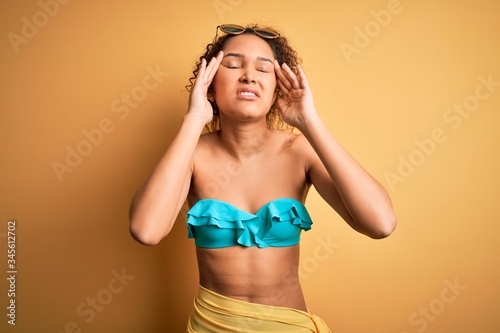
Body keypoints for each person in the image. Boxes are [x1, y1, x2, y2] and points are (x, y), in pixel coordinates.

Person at [129, 23, 397, 333]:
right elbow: (146, 230)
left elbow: (381, 224)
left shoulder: (299, 151)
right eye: (232, 64)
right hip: (211, 327)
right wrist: (194, 120)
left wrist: (310, 122)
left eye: (263, 68)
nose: (248, 75)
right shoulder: (192, 154)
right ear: (211, 86)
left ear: (277, 90)